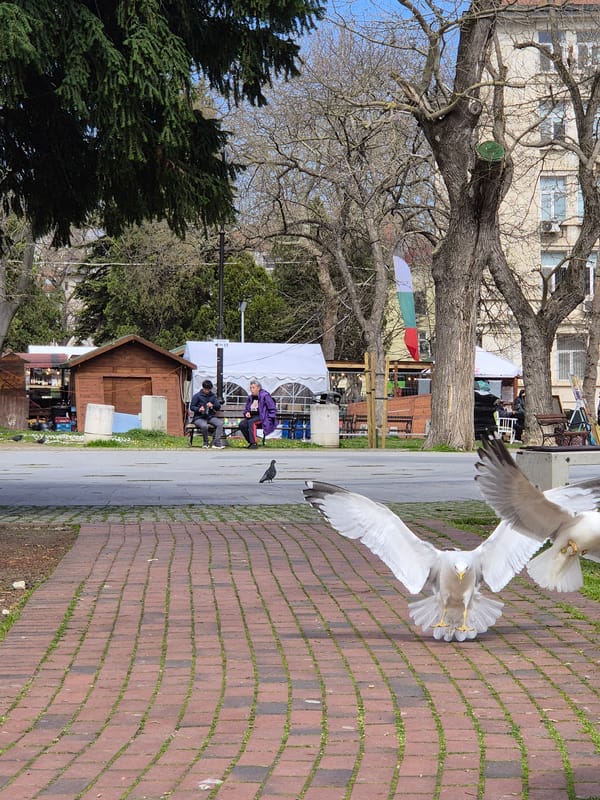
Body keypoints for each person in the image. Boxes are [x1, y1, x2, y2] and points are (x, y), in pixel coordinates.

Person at [239, 379, 278, 449]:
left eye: (253, 387)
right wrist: (246, 413)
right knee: (242, 424)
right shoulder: (250, 398)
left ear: (258, 388)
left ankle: (254, 443)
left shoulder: (265, 396)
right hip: (253, 417)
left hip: (263, 417)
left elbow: (272, 408)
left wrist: (269, 419)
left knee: (252, 422)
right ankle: (251, 442)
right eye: (250, 388)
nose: (251, 389)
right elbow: (247, 409)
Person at [189, 379, 224, 449]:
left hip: (210, 417)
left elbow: (218, 407)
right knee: (204, 426)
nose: (207, 391)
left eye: (208, 390)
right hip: (199, 417)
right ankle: (206, 442)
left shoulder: (213, 396)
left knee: (220, 424)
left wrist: (213, 405)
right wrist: (199, 409)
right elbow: (192, 407)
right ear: (203, 388)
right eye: (206, 389)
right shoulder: (197, 396)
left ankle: (216, 443)